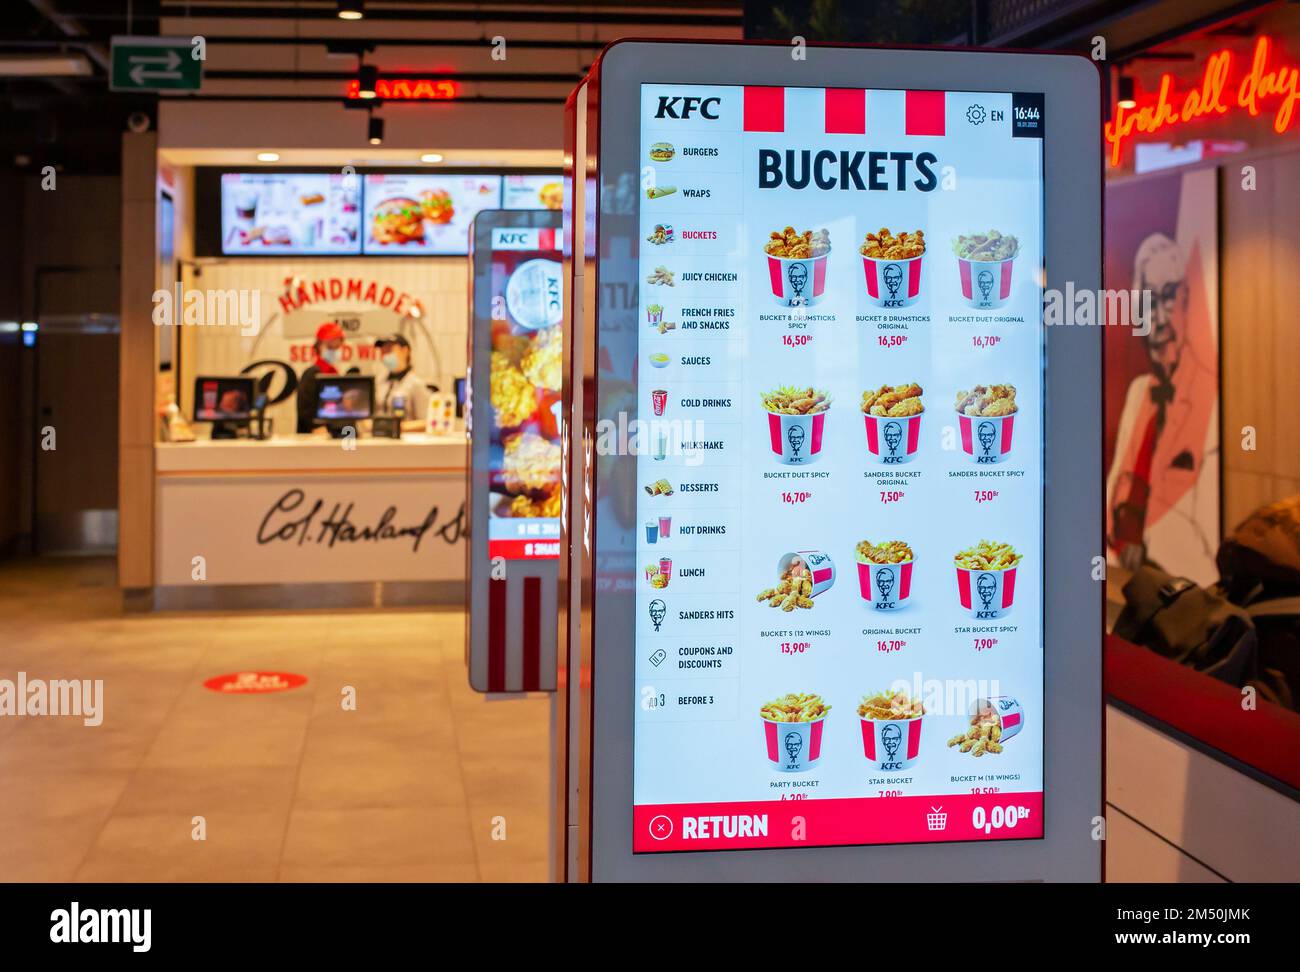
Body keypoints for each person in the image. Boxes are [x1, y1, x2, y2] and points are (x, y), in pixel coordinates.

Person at [1105, 231, 1219, 584]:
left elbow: (1202, 552)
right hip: (1125, 588)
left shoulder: (1210, 398)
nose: (1156, 320)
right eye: (1146, 304)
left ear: (1188, 300)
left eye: (1167, 298)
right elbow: (1113, 496)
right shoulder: (1140, 393)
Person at [374, 333, 430, 432]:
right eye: (383, 351)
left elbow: (427, 422)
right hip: (380, 441)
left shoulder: (416, 384)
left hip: (405, 442)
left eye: (389, 350)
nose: (386, 355)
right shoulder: (379, 381)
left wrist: (398, 427)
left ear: (405, 351)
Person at [296, 321, 345, 434]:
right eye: (330, 346)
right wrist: (316, 427)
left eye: (337, 346)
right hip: (313, 438)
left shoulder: (334, 373)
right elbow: (304, 410)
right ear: (319, 346)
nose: (334, 350)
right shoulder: (312, 374)